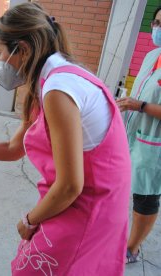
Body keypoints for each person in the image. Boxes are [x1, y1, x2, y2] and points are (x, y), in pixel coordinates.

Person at [0, 3, 131, 275]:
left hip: (90, 208)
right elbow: (13, 148)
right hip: (84, 201)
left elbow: (70, 185)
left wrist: (30, 219)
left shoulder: (59, 89)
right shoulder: (49, 81)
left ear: (22, 49)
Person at [116, 6, 161, 264]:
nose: (157, 28)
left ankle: (132, 247)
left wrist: (141, 106)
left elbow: (144, 101)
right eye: (155, 22)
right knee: (129, 189)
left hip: (155, 145)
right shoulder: (152, 55)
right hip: (134, 134)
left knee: (146, 197)